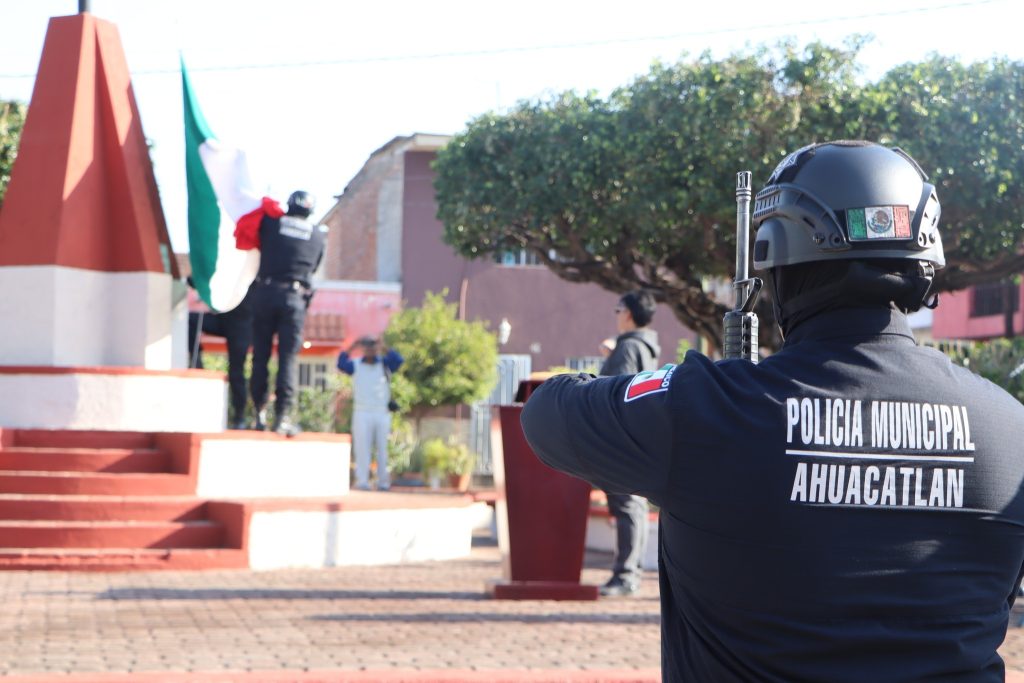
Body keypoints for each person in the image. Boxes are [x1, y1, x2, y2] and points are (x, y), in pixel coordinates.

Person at [521, 141, 1024, 681]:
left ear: (778, 260)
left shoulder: (704, 407)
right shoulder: (1009, 426)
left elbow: (548, 413)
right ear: (923, 261)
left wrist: (689, 381)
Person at [597, 290, 660, 597]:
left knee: (627, 505)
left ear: (628, 314)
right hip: (637, 437)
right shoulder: (643, 346)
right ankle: (628, 573)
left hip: (623, 441)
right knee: (631, 505)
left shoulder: (629, 348)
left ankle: (626, 576)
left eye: (617, 308)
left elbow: (616, 395)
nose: (615, 313)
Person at [249, 190, 327, 436]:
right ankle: (282, 418)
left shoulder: (271, 224)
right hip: (294, 299)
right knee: (288, 360)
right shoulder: (316, 235)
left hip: (265, 292)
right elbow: (313, 266)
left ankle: (258, 413)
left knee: (260, 355)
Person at [337, 336, 404, 491]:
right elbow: (341, 363)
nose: (370, 351)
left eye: (373, 347)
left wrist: (384, 346)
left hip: (381, 411)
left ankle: (383, 482)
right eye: (367, 347)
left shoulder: (384, 364)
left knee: (382, 448)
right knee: (362, 448)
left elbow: (399, 360)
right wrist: (352, 346)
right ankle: (362, 481)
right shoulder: (356, 365)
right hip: (362, 411)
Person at [186, 281, 255, 430]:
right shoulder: (228, 266)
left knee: (236, 371)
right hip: (222, 318)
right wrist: (195, 280)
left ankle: (239, 417)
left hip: (242, 324)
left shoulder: (253, 266)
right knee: (190, 320)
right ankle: (196, 363)